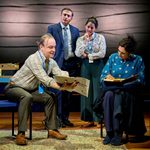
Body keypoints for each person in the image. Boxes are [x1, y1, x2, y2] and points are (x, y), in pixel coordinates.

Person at [4, 33, 77, 145]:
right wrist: (61, 87)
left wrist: (72, 80)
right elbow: (45, 79)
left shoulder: (51, 62)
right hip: (14, 87)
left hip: (30, 89)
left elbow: (59, 73)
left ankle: (52, 129)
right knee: (26, 97)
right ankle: (21, 133)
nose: (53, 50)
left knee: (50, 97)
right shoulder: (33, 59)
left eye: (54, 47)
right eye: (50, 47)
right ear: (41, 47)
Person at [100, 35, 146, 146]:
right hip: (112, 88)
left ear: (130, 53)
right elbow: (103, 76)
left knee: (119, 96)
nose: (119, 54)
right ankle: (109, 132)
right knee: (108, 96)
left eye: (123, 53)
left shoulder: (137, 60)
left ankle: (117, 132)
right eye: (118, 51)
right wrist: (107, 78)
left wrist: (124, 85)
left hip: (129, 92)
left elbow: (140, 80)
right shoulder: (113, 57)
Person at [47, 8, 81, 127]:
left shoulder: (76, 31)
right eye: (64, 14)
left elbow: (78, 47)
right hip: (57, 64)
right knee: (58, 92)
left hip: (71, 64)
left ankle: (65, 118)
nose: (66, 17)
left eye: (68, 15)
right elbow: (48, 45)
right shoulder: (52, 28)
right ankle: (57, 119)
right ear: (61, 15)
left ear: (71, 18)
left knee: (68, 93)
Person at [75, 16, 106, 127]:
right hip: (85, 66)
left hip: (98, 66)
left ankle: (98, 119)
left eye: (92, 28)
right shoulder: (80, 39)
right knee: (86, 91)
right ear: (85, 26)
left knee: (97, 91)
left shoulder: (101, 38)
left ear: (95, 28)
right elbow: (77, 54)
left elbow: (102, 53)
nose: (89, 29)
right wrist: (85, 42)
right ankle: (89, 119)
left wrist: (89, 55)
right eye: (88, 27)